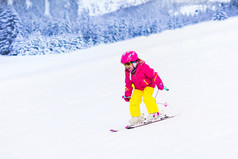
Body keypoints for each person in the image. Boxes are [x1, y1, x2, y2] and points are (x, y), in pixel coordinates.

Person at [121, 51, 164, 127]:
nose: (126, 66)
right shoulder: (128, 72)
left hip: (148, 85)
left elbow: (153, 75)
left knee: (147, 97)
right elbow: (128, 84)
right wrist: (127, 94)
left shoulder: (143, 67)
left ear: (135, 62)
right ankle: (136, 117)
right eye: (124, 64)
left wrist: (159, 83)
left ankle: (154, 113)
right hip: (138, 88)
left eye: (128, 64)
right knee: (133, 101)